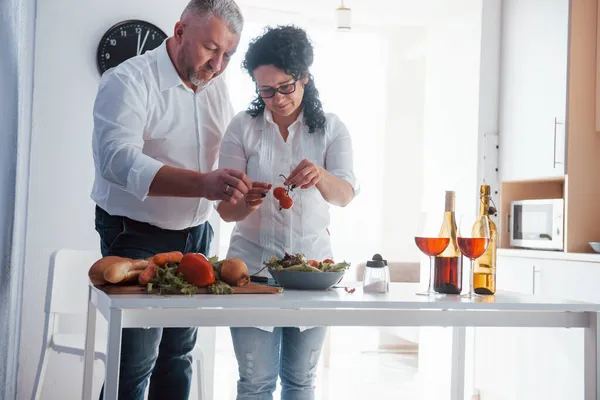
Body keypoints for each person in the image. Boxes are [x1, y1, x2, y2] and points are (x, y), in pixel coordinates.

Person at [90, 0, 259, 398]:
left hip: (197, 235)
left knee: (179, 357)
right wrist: (204, 183)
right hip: (134, 234)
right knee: (133, 363)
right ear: (180, 32)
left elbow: (231, 149)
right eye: (211, 49)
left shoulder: (215, 86)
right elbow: (117, 160)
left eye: (228, 56)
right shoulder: (128, 80)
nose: (217, 66)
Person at [217, 25, 358, 399]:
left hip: (312, 274)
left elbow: (344, 195)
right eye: (266, 90)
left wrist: (322, 175)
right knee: (255, 383)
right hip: (252, 271)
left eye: (285, 87)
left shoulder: (330, 129)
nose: (276, 98)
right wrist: (243, 203)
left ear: (305, 78)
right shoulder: (242, 128)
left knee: (300, 381)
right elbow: (225, 211)